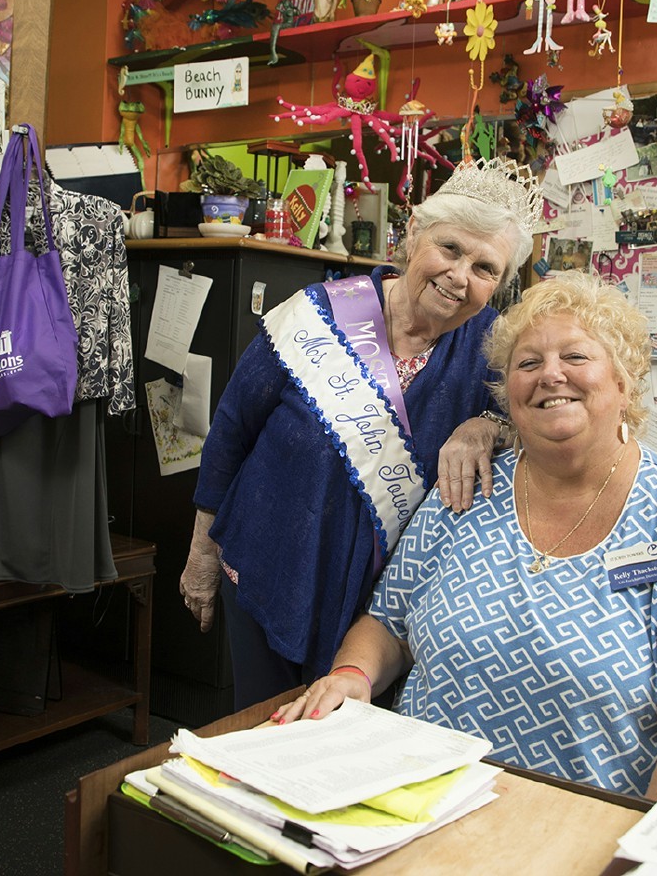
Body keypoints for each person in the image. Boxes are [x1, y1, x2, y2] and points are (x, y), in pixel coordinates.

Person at [275, 271, 657, 798]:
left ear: (624, 380)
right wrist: (352, 677)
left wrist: (631, 852)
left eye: (576, 357)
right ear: (507, 392)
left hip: (577, 835)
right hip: (414, 802)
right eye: (528, 363)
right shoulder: (468, 487)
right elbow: (387, 624)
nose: (550, 375)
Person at [182, 158, 541, 710]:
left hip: (384, 614)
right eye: (450, 249)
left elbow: (541, 425)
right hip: (269, 563)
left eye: (485, 268)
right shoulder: (317, 313)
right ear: (415, 233)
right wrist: (201, 554)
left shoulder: (496, 349)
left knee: (345, 757)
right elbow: (232, 429)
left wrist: (487, 426)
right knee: (265, 735)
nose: (460, 276)